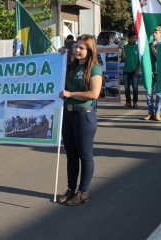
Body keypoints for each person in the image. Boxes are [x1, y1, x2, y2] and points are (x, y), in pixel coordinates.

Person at [58, 34, 102, 206]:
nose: (77, 50)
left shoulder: (94, 69)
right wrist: (60, 56)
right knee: (71, 155)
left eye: (82, 47)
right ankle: (71, 189)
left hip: (84, 116)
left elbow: (94, 94)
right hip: (68, 115)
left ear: (90, 50)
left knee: (85, 155)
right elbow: (56, 69)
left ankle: (83, 191)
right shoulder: (71, 66)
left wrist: (71, 94)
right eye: (76, 46)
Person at [144, 26, 161, 121]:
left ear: (160, 33)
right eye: (153, 32)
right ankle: (150, 112)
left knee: (159, 94)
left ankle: (158, 112)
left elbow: (159, 58)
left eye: (156, 32)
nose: (154, 33)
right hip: (150, 72)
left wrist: (153, 48)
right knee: (148, 93)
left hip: (160, 72)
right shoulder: (149, 44)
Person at [119, 30, 140, 108]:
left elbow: (140, 60)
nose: (134, 40)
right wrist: (122, 49)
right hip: (126, 71)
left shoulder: (138, 47)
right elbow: (123, 59)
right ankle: (128, 102)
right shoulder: (125, 47)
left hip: (135, 71)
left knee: (135, 87)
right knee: (127, 88)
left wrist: (138, 69)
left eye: (135, 38)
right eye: (132, 38)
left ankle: (135, 102)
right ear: (128, 39)